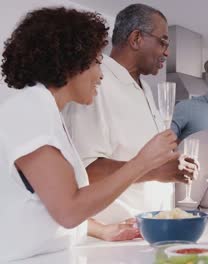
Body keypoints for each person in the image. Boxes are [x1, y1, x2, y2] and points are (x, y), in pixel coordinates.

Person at [0, 7, 179, 261]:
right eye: (96, 62)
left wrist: (102, 230)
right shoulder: (29, 109)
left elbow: (48, 202)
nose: (101, 74)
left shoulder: (45, 112)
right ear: (71, 62)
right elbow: (69, 210)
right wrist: (143, 163)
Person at [63, 4, 195, 226]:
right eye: (163, 42)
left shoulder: (146, 89)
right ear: (136, 39)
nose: (167, 52)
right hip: (112, 237)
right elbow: (86, 170)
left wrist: (171, 164)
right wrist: (156, 171)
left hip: (150, 229)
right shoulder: (95, 83)